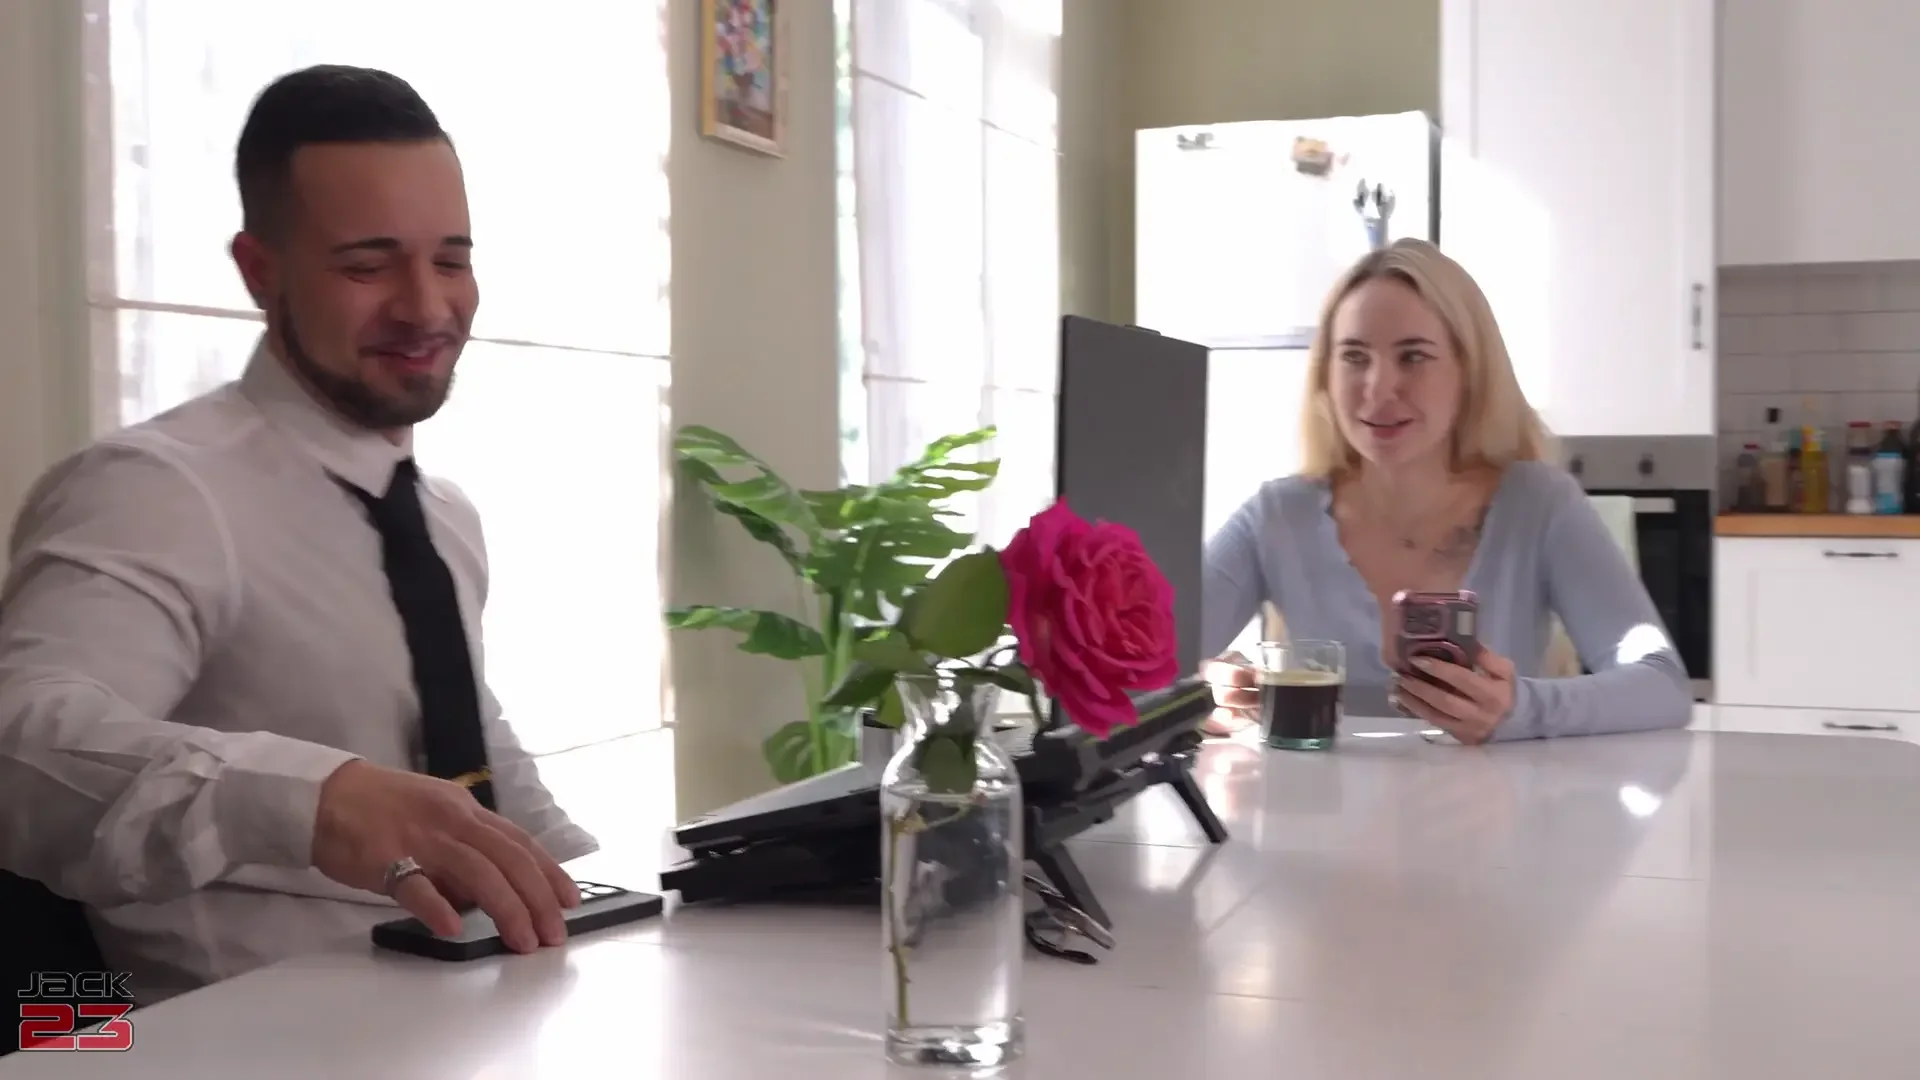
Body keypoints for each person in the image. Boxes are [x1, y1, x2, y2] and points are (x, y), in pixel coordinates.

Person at [0, 66, 594, 1006]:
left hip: (480, 1022)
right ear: (259, 270)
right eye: (367, 266)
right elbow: (21, 744)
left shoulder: (442, 518)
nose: (426, 308)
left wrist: (615, 894)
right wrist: (315, 799)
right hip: (255, 1043)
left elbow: (470, 751)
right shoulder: (157, 490)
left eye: (451, 261)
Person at [1201, 239, 1691, 744]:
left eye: (1413, 356)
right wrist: (1203, 697)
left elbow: (1662, 685)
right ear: (1325, 375)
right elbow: (1153, 666)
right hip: (1318, 797)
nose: (1379, 388)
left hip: (1498, 796)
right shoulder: (1276, 517)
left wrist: (1520, 708)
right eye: (1354, 357)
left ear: (1469, 372)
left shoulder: (1541, 504)